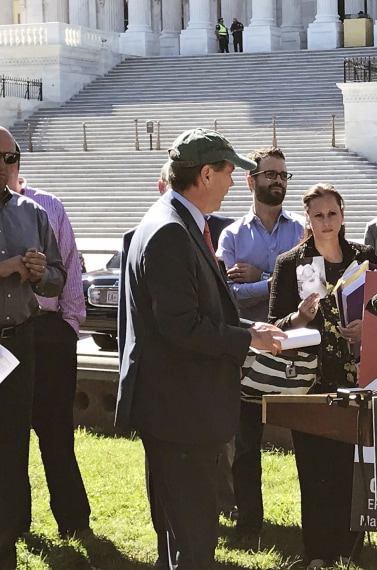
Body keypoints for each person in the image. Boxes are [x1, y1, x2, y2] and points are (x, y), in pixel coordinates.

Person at [115, 128, 285, 569]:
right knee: (191, 542)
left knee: (182, 537)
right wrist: (248, 339)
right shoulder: (171, 231)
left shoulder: (175, 220)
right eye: (229, 172)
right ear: (206, 174)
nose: (235, 182)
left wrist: (249, 328)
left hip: (178, 408)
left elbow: (193, 313)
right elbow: (182, 327)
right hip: (181, 412)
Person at [268, 183, 377, 570]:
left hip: (356, 379)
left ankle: (348, 548)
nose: (326, 222)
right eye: (318, 215)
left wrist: (369, 328)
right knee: (313, 469)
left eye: (332, 214)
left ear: (343, 216)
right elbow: (273, 327)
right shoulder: (290, 263)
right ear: (308, 219)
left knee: (350, 469)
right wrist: (299, 318)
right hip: (308, 380)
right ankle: (317, 552)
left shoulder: (365, 258)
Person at [217, 146, 305, 539]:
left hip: (295, 348)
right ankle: (249, 523)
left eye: (284, 175)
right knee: (246, 443)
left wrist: (263, 277)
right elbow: (226, 295)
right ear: (251, 180)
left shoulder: (301, 229)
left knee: (307, 442)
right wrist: (274, 282)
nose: (278, 182)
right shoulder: (232, 235)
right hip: (248, 351)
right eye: (270, 174)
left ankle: (316, 527)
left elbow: (306, 291)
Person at [0, 127, 66, 570]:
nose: (4, 164)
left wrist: (42, 272)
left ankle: (5, 549)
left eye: (11, 156)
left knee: (11, 447)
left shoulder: (33, 213)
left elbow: (60, 277)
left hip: (19, 341)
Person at [12, 172, 91, 539]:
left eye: (9, 156)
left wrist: (68, 326)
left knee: (57, 433)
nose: (3, 164)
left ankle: (74, 521)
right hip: (5, 333)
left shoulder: (49, 207)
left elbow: (70, 268)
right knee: (8, 435)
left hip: (48, 330)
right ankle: (14, 524)